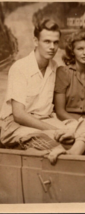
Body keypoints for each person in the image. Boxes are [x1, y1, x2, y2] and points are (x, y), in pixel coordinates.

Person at [0, 19, 67, 148]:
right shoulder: (20, 67)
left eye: (56, 42)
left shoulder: (54, 66)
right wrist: (52, 129)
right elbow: (19, 115)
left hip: (43, 120)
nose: (52, 47)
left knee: (76, 137)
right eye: (47, 41)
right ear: (36, 42)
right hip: (14, 124)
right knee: (54, 144)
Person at [54, 30, 85, 124]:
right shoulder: (63, 73)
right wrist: (79, 125)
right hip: (67, 123)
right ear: (73, 51)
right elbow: (60, 112)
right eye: (80, 49)